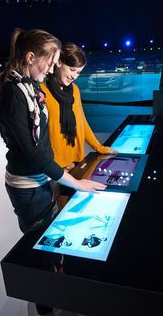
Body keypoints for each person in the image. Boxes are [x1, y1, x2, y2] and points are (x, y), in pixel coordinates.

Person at [0, 28, 106, 316]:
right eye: (52, 61)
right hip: (29, 185)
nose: (52, 68)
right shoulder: (13, 92)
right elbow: (34, 152)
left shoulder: (30, 85)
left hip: (45, 178)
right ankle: (44, 303)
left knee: (50, 241)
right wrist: (71, 179)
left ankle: (53, 280)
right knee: (37, 247)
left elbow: (43, 140)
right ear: (32, 57)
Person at [41, 42, 117, 208]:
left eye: (78, 72)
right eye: (72, 69)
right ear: (59, 62)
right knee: (62, 212)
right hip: (56, 168)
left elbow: (81, 121)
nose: (74, 75)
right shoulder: (41, 90)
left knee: (82, 207)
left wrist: (99, 147)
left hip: (78, 160)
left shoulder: (74, 90)